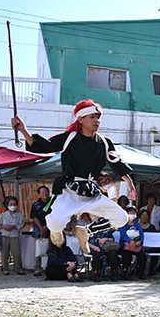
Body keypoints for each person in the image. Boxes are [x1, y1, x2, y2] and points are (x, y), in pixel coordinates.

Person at [11, 99, 137, 254]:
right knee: (56, 224)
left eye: (98, 117)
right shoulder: (70, 138)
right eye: (92, 117)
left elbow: (116, 162)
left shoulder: (104, 142)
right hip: (69, 191)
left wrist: (129, 183)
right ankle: (56, 232)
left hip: (91, 193)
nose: (97, 121)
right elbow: (44, 146)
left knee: (122, 218)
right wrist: (23, 130)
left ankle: (85, 231)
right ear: (81, 119)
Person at [0, 196, 25, 275]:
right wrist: (3, 227)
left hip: (14, 235)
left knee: (16, 252)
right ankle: (5, 269)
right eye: (11, 204)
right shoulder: (3, 215)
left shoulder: (20, 215)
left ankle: (18, 268)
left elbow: (22, 224)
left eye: (14, 204)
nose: (13, 206)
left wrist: (14, 226)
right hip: (4, 235)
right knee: (4, 252)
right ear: (7, 205)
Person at [118, 206, 147, 280]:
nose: (132, 214)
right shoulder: (123, 224)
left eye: (134, 213)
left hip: (136, 246)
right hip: (126, 246)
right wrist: (130, 241)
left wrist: (140, 241)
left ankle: (141, 272)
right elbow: (123, 234)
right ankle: (125, 272)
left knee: (142, 255)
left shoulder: (137, 225)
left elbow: (141, 234)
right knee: (126, 255)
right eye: (130, 213)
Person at [30, 185, 50, 276]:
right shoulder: (35, 205)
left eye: (46, 191)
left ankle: (50, 267)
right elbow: (34, 217)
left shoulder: (53, 203)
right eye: (42, 192)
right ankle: (37, 268)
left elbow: (54, 215)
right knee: (39, 248)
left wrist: (46, 226)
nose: (45, 193)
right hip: (38, 228)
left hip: (51, 228)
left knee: (51, 248)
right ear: (38, 194)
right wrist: (41, 228)